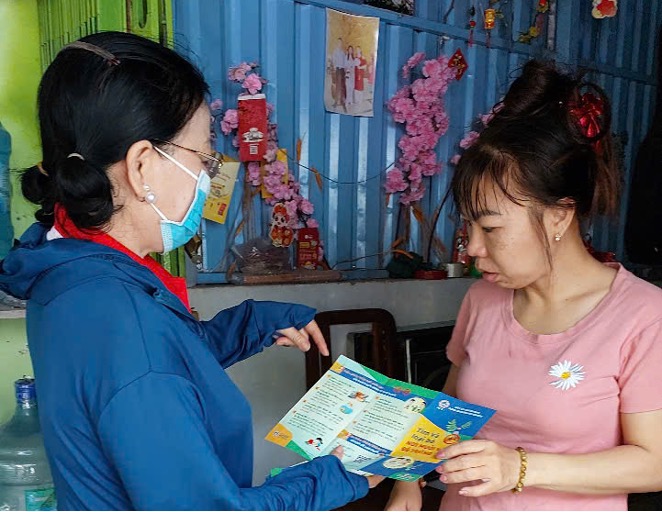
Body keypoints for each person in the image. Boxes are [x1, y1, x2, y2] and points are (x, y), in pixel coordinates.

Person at [0, 32, 381, 510]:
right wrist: (334, 477)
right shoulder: (124, 322)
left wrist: (253, 323)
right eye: (203, 158)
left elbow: (159, 366)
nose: (208, 177)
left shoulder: (69, 270)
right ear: (142, 166)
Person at [386, 60, 662, 510]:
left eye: (491, 229)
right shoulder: (482, 298)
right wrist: (407, 478)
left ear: (558, 216)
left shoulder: (644, 316)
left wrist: (519, 468)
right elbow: (449, 408)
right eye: (468, 227)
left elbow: (654, 463)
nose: (473, 248)